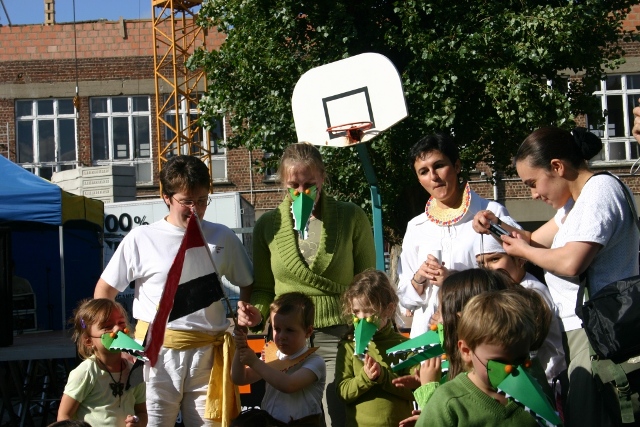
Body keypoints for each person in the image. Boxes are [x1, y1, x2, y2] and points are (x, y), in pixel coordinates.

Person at [473, 126, 640, 427]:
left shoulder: (600, 191)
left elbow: (571, 261)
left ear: (557, 167)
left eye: (533, 183)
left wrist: (524, 249)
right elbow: (535, 240)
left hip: (596, 332)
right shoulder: (575, 204)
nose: (534, 194)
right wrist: (497, 225)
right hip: (586, 331)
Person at [94, 155, 254, 427]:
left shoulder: (222, 236)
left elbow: (247, 282)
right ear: (166, 196)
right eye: (187, 201)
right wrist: (116, 342)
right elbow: (104, 291)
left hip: (208, 354)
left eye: (203, 200)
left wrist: (243, 319)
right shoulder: (140, 238)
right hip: (157, 354)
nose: (196, 209)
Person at [241, 142, 376, 427]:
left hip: (336, 335)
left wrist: (364, 330)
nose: (302, 192)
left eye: (310, 184)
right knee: (284, 417)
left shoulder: (351, 217)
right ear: (282, 183)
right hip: (284, 337)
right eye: (294, 185)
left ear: (323, 178)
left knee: (334, 416)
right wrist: (257, 312)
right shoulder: (268, 225)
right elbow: (265, 288)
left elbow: (368, 282)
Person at [397, 132, 511, 338]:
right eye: (423, 171)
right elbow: (405, 299)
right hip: (428, 340)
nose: (433, 176)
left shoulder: (491, 213)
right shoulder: (416, 227)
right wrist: (420, 277)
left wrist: (455, 283)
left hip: (478, 333)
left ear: (457, 166)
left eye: (439, 165)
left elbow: (509, 279)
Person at [417, 290, 543, 427]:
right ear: (466, 351)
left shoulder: (533, 393)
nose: (512, 371)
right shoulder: (449, 402)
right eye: (499, 362)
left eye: (521, 361)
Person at [473, 219, 566, 393]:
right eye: (481, 263)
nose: (488, 269)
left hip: (545, 384)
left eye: (494, 259)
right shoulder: (508, 291)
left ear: (520, 259)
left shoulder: (531, 293)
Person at [231, 292, 325, 426]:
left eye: (290, 330)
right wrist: (240, 347)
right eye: (277, 329)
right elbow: (239, 378)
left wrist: (254, 361)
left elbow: (289, 385)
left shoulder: (315, 362)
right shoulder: (272, 356)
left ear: (308, 332)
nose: (282, 336)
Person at [334, 269, 414, 427]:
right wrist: (365, 378)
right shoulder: (349, 346)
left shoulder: (404, 345)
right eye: (356, 312)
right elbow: (343, 392)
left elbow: (413, 391)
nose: (362, 318)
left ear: (389, 309)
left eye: (369, 311)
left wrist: (383, 376)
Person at [58, 299, 146, 427]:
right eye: (107, 326)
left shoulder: (135, 372)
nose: (117, 330)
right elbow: (63, 417)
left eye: (121, 323)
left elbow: (142, 412)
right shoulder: (86, 372)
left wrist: (137, 422)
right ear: (88, 341)